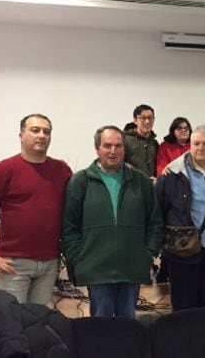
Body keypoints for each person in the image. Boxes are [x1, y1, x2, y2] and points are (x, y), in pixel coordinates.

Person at [0, 114, 72, 305]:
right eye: (35, 130)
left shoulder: (62, 170)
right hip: (13, 264)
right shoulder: (3, 170)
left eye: (46, 131)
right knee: (11, 322)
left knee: (37, 321)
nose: (41, 135)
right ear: (21, 136)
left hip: (49, 262)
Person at [61, 126, 162, 318]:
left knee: (128, 326)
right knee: (101, 327)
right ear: (97, 148)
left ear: (125, 149)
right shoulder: (80, 182)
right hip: (97, 269)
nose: (113, 151)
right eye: (107, 146)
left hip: (131, 267)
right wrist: (80, 257)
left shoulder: (140, 181)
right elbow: (69, 227)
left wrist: (148, 254)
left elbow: (154, 222)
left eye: (118, 146)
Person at [156, 126, 205, 310]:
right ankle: (184, 340)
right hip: (182, 252)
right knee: (184, 307)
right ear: (190, 145)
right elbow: (159, 209)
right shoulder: (172, 175)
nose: (200, 148)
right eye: (196, 143)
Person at [124, 104, 159, 178]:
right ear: (135, 120)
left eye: (150, 118)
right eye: (143, 118)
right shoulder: (124, 140)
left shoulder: (154, 143)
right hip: (132, 186)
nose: (147, 121)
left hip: (152, 186)